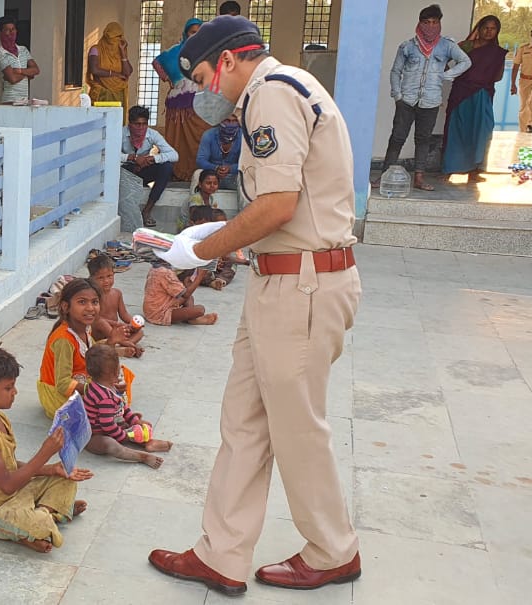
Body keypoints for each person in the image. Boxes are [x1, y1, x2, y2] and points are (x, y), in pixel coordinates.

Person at [151, 16, 362, 595]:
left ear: (227, 61)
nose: (200, 93)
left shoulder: (270, 93)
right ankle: (220, 554)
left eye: (199, 77)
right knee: (243, 422)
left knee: (296, 429)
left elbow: (276, 207)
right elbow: (272, 206)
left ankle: (333, 550)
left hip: (302, 286)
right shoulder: (280, 90)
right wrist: (214, 235)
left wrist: (200, 250)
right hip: (282, 281)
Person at [0, 344, 92, 553]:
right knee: (39, 524)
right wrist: (44, 452)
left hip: (16, 495)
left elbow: (11, 466)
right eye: (8, 388)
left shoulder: (0, 419)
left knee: (66, 480)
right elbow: (7, 485)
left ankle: (43, 515)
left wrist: (51, 469)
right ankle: (45, 519)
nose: (15, 392)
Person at [382, 4, 471, 192]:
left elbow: (466, 61)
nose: (430, 26)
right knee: (397, 138)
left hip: (430, 101)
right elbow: (395, 71)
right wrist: (397, 95)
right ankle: (384, 176)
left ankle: (419, 178)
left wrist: (448, 75)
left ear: (439, 23)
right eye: (426, 22)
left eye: (435, 22)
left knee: (423, 139)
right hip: (407, 100)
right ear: (419, 24)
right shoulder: (407, 47)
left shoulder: (447, 46)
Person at [38, 279, 137, 418]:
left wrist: (111, 341)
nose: (90, 308)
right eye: (82, 302)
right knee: (103, 401)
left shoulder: (84, 327)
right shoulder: (64, 340)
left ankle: (115, 407)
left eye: (95, 302)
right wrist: (96, 389)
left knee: (118, 374)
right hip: (57, 394)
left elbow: (91, 352)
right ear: (66, 306)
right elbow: (62, 384)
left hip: (81, 379)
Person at [81, 344, 172, 469]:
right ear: (116, 371)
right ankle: (141, 456)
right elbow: (107, 425)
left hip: (113, 426)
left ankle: (148, 442)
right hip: (95, 436)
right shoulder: (104, 397)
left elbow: (122, 407)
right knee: (111, 445)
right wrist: (124, 436)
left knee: (137, 426)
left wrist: (135, 421)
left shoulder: (109, 386)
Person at [443, 16, 507, 181]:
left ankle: (475, 170)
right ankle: (450, 168)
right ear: (478, 28)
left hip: (482, 94)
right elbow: (445, 57)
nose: (488, 31)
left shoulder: (497, 53)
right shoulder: (467, 46)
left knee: (482, 130)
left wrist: (482, 76)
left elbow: (498, 76)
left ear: (497, 31)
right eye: (485, 27)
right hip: (461, 93)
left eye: (493, 28)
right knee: (457, 129)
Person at [154, 18, 211, 182]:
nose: (196, 36)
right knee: (177, 139)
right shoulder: (174, 52)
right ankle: (178, 172)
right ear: (186, 33)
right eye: (192, 32)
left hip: (202, 102)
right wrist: (169, 79)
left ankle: (201, 172)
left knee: (201, 135)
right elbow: (157, 62)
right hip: (178, 104)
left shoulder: (209, 52)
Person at [122, 105, 180, 227]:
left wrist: (153, 159)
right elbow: (108, 155)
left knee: (166, 167)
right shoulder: (120, 133)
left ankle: (147, 211)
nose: (141, 128)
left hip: (143, 169)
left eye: (144, 124)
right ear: (130, 123)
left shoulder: (152, 134)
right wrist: (132, 158)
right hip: (126, 171)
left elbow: (174, 155)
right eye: (137, 124)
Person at [87, 250, 144, 355]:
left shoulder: (117, 293)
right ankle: (127, 345)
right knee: (101, 322)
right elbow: (97, 319)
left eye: (109, 276)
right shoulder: (93, 296)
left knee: (140, 333)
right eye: (101, 278)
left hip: (115, 331)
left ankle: (121, 346)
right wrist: (117, 324)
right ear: (92, 279)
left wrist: (133, 324)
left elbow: (124, 314)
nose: (106, 281)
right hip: (99, 332)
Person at [141, 258, 216, 326]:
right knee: (200, 310)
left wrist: (188, 284)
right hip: (159, 313)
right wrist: (200, 276)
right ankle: (192, 319)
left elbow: (180, 292)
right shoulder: (165, 273)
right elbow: (185, 295)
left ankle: (191, 318)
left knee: (190, 298)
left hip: (154, 308)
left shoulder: (156, 268)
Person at [0, 16, 40, 104]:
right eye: (7, 30)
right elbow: (13, 79)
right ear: (0, 33)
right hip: (10, 101)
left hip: (24, 101)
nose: (11, 32)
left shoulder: (23, 50)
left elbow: (36, 70)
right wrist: (28, 73)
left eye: (13, 29)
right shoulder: (0, 55)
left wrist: (18, 71)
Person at [87, 22, 132, 105]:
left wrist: (123, 52)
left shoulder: (120, 51)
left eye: (119, 37)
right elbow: (94, 70)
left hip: (118, 96)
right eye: (113, 37)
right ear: (106, 36)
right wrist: (116, 74)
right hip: (101, 95)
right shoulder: (96, 49)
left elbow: (127, 73)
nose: (116, 40)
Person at [197, 117, 242, 190]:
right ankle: (197, 201)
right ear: (220, 121)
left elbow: (247, 162)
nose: (231, 124)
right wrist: (215, 168)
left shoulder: (243, 137)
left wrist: (231, 168)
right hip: (212, 175)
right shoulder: (209, 135)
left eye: (234, 121)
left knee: (246, 179)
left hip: (235, 175)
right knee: (197, 174)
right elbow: (201, 160)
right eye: (227, 120)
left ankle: (246, 202)